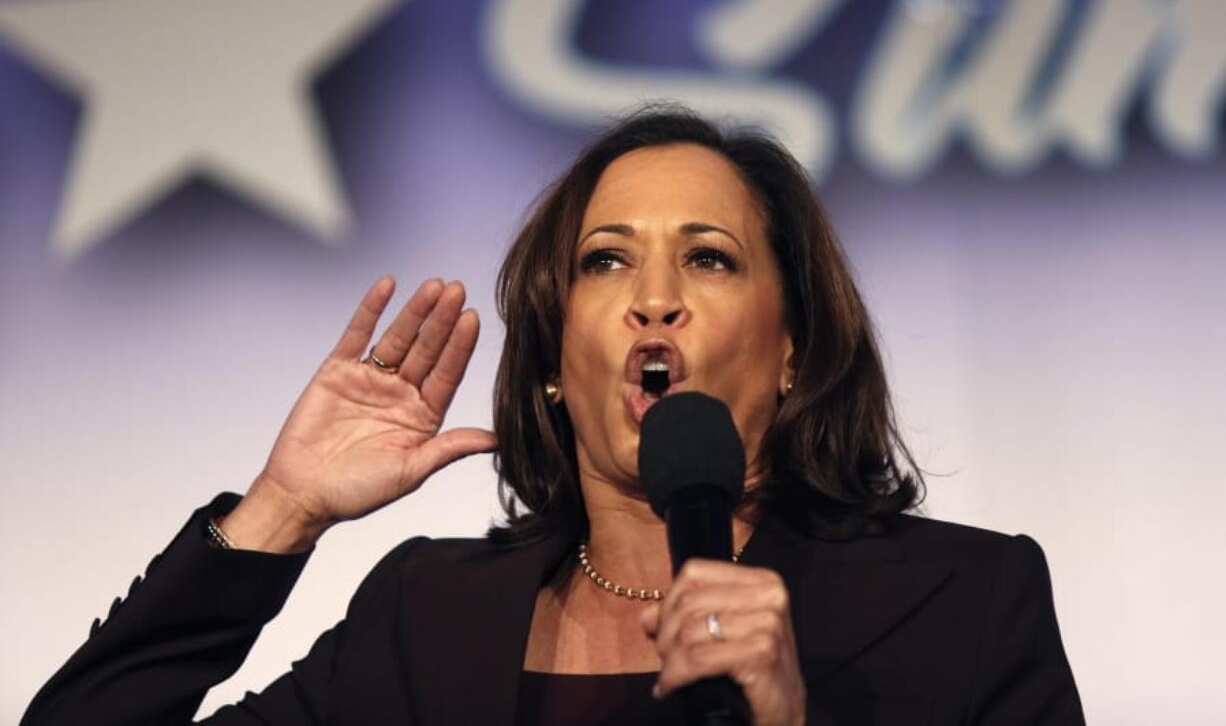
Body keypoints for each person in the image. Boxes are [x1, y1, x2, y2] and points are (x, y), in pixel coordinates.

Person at [21, 107, 1085, 725]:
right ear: (554, 356)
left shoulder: (965, 605)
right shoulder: (426, 616)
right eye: (604, 259)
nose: (650, 296)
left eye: (707, 259)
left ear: (794, 347)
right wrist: (279, 512)